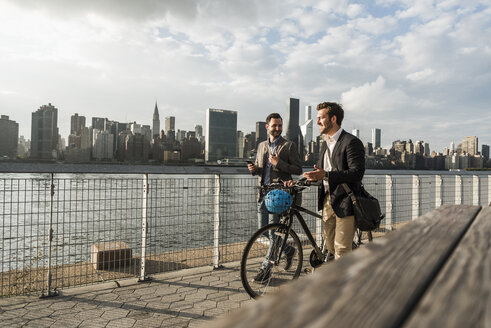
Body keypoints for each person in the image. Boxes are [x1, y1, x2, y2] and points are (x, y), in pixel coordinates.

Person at [303, 102, 365, 259]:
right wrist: (305, 179)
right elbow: (321, 173)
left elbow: (357, 173)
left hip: (346, 201)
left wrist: (326, 175)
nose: (317, 122)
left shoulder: (351, 142)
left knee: (341, 250)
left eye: (320, 118)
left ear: (333, 119)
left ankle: (342, 281)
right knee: (330, 247)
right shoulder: (325, 143)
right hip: (327, 200)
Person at [248, 112, 302, 282]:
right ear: (267, 127)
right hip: (263, 193)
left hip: (279, 196)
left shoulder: (289, 146)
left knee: (272, 234)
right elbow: (263, 170)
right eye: (274, 125)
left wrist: (280, 164)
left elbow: (298, 169)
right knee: (262, 229)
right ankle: (288, 250)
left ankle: (265, 269)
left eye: (280, 125)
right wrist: (254, 169)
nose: (277, 128)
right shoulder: (261, 145)